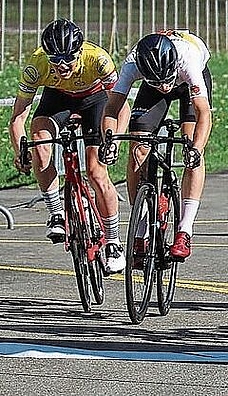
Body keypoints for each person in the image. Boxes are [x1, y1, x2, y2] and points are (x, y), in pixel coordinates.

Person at [8, 19, 127, 274]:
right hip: (57, 99)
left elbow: (120, 105)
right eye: (55, 59)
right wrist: (20, 149)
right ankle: (56, 213)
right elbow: (18, 116)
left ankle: (114, 241)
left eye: (68, 59)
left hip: (95, 100)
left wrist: (114, 138)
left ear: (79, 52)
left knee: (96, 171)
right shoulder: (36, 64)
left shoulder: (98, 59)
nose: (61, 66)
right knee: (39, 142)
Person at [100, 30, 213, 263]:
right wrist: (110, 140)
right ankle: (140, 227)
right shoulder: (133, 64)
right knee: (138, 148)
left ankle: (185, 230)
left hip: (188, 82)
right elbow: (111, 109)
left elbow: (203, 114)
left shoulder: (188, 58)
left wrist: (196, 148)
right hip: (154, 81)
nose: (163, 87)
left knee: (192, 146)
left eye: (166, 80)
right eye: (157, 82)